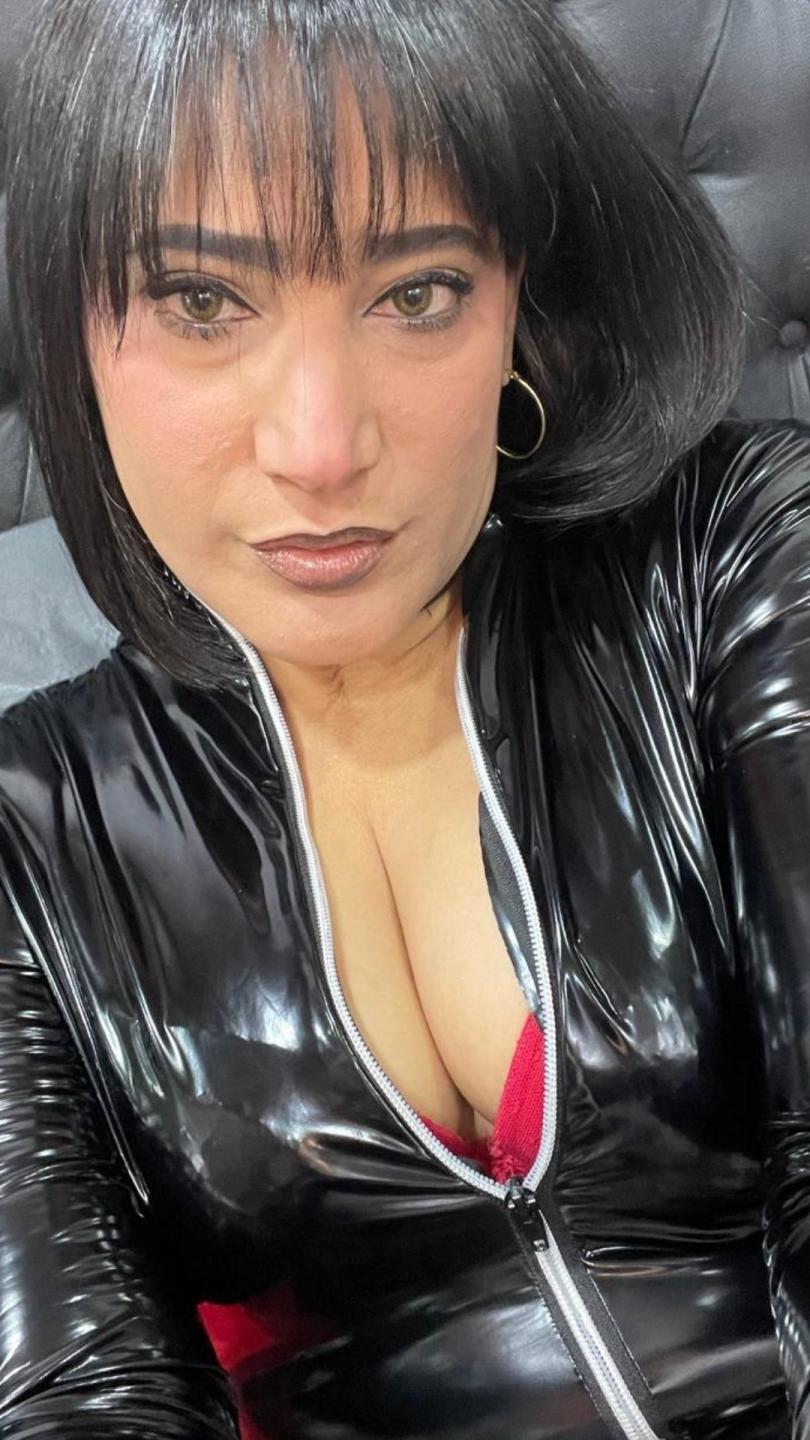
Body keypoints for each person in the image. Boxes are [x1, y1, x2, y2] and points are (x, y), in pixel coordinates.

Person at [1, 0, 810, 1436]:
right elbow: (76, 1393)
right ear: (77, 333)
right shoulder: (30, 832)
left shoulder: (734, 563)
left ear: (516, 304)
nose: (321, 447)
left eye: (418, 292)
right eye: (202, 302)